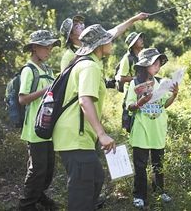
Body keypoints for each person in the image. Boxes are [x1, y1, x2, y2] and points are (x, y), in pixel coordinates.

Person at [52, 24, 117, 211]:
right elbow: (85, 100)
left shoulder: (85, 63)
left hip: (79, 137)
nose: (111, 41)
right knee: (82, 192)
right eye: (107, 39)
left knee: (96, 178)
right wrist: (102, 134)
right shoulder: (89, 66)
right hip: (75, 137)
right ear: (99, 45)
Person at [126, 48, 179, 209]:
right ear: (145, 65)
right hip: (142, 129)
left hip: (158, 129)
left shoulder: (160, 83)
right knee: (140, 165)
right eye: (154, 63)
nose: (158, 66)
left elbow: (164, 105)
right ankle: (139, 195)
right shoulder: (135, 84)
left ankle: (160, 191)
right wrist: (140, 102)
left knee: (159, 164)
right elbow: (129, 106)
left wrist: (174, 95)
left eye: (159, 63)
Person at [18, 30, 61, 211]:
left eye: (51, 47)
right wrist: (47, 90)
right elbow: (23, 98)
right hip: (35, 129)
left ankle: (39, 195)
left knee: (49, 168)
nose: (49, 50)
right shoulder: (29, 70)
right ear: (35, 48)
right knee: (37, 170)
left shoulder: (48, 69)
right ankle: (26, 204)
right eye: (46, 47)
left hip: (48, 127)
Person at [59, 12, 149, 72]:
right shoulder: (69, 56)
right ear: (70, 36)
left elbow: (116, 30)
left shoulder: (93, 42)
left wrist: (136, 18)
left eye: (80, 23)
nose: (81, 26)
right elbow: (65, 82)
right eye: (76, 26)